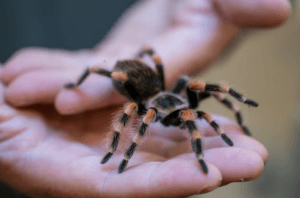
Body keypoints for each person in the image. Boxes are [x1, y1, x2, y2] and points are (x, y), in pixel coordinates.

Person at [0, 0, 290, 197]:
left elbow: (205, 91)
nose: (185, 109)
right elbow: (134, 110)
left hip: (152, 81)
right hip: (141, 87)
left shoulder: (181, 99)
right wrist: (124, 151)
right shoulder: (146, 106)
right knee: (127, 95)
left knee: (199, 85)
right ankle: (122, 153)